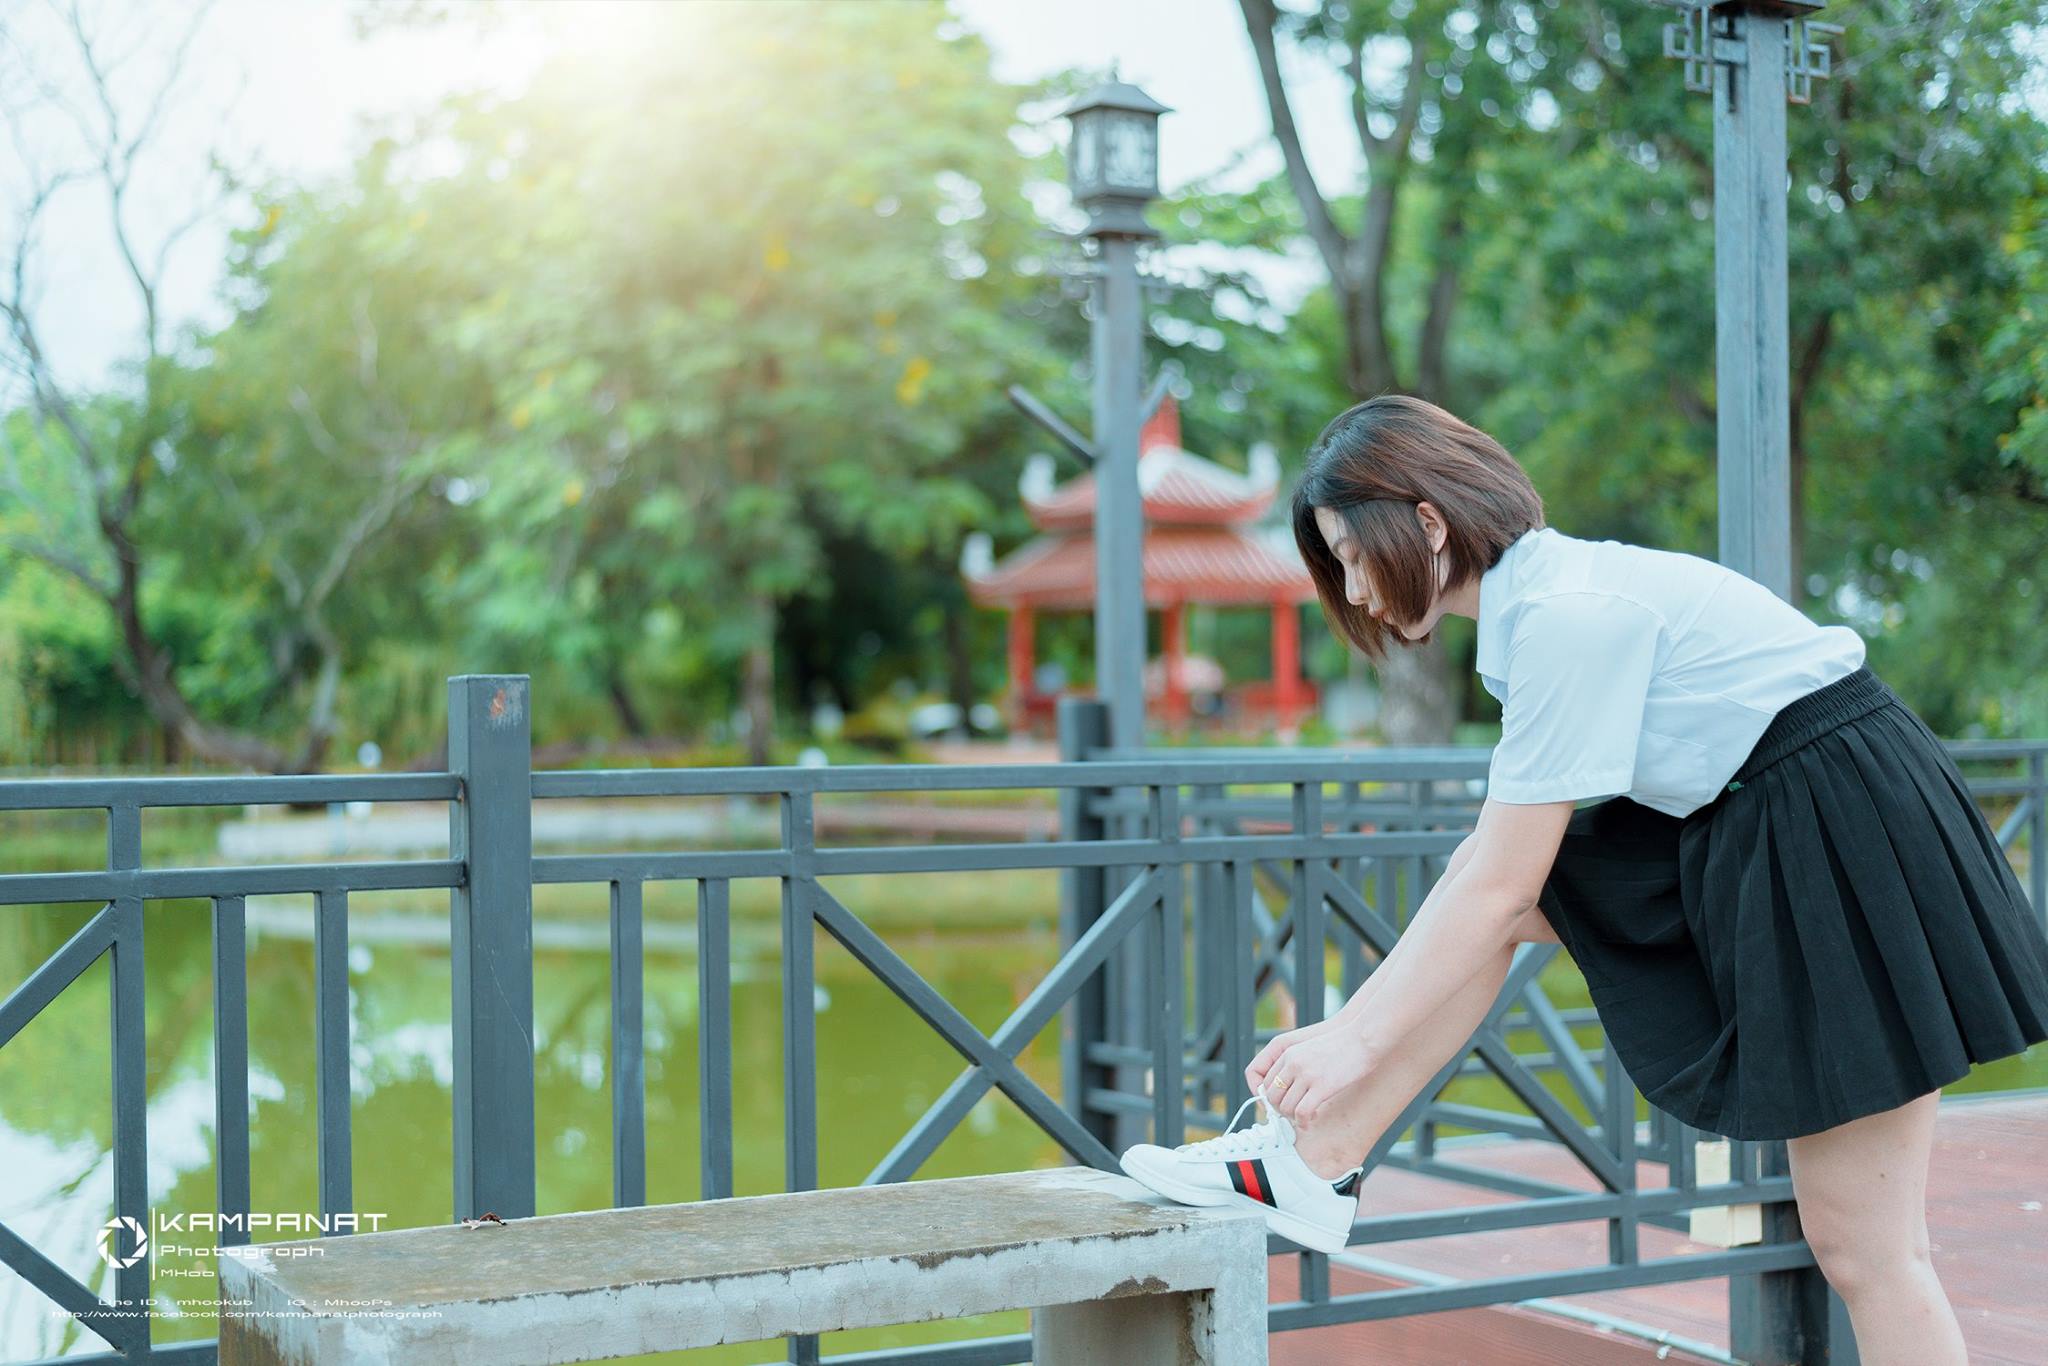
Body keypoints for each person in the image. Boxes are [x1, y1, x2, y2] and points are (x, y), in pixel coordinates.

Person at [1118, 394, 2048, 1362]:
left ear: (1426, 524)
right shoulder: (1540, 608)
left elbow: (1493, 886)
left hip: (1830, 821)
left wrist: (1346, 1037)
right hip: (1765, 805)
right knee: (1525, 890)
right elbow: (1492, 870)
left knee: (1868, 1246)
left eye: (1352, 554)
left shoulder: (1566, 615)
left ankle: (1311, 1156)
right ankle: (1312, 1162)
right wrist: (1344, 1039)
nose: (1352, 591)